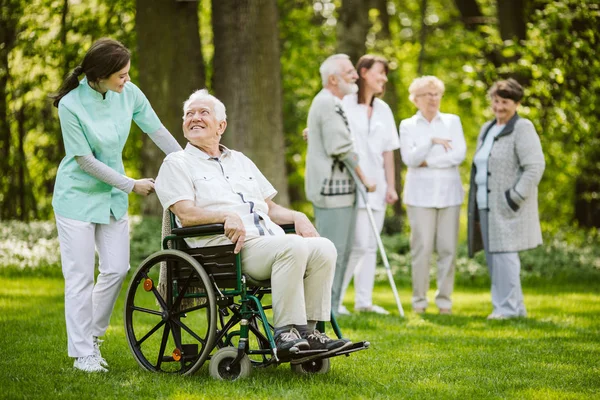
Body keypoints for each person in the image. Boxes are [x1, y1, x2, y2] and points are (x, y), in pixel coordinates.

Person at [155, 89, 353, 359]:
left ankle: (310, 333)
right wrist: (224, 216)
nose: (195, 118)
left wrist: (297, 216)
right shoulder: (176, 163)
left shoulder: (240, 160)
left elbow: (269, 208)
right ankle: (285, 333)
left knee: (324, 247)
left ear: (221, 125)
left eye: (203, 113)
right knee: (292, 245)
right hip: (226, 250)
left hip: (267, 241)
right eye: (189, 114)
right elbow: (186, 213)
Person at [51, 38, 182, 373]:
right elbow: (84, 160)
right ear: (100, 75)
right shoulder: (71, 104)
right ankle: (83, 353)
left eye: (127, 74)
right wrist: (131, 185)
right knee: (80, 276)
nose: (127, 79)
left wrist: (189, 163)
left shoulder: (130, 93)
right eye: (121, 75)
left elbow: (157, 131)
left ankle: (90, 336)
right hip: (76, 198)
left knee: (117, 268)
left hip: (111, 198)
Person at [467, 78, 545, 320]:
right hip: (485, 205)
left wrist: (514, 197)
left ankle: (507, 309)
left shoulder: (523, 128)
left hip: (507, 205)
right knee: (495, 258)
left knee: (505, 257)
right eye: (496, 101)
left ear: (517, 103)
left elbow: (534, 167)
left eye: (505, 102)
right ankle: (512, 308)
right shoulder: (488, 129)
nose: (499, 106)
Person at [305, 54, 376, 315]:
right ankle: (326, 312)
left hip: (341, 192)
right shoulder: (327, 103)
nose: (356, 75)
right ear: (333, 79)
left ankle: (331, 310)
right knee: (333, 254)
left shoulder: (332, 103)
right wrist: (365, 178)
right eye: (349, 72)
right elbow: (341, 147)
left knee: (342, 252)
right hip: (332, 193)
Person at [338, 55, 400, 315]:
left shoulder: (384, 110)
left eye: (385, 74)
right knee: (358, 244)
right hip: (354, 183)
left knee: (371, 245)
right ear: (364, 73)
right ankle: (335, 300)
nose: (384, 78)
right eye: (380, 73)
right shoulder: (345, 103)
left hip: (379, 185)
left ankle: (364, 301)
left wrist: (392, 186)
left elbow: (388, 152)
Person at [399, 76, 466, 315]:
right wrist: (430, 141)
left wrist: (428, 161)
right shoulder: (408, 125)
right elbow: (410, 160)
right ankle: (419, 301)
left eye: (437, 94)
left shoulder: (452, 121)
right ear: (416, 99)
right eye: (428, 94)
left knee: (448, 248)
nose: (433, 99)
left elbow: (458, 155)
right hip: (419, 197)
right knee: (422, 248)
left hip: (450, 194)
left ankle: (444, 301)